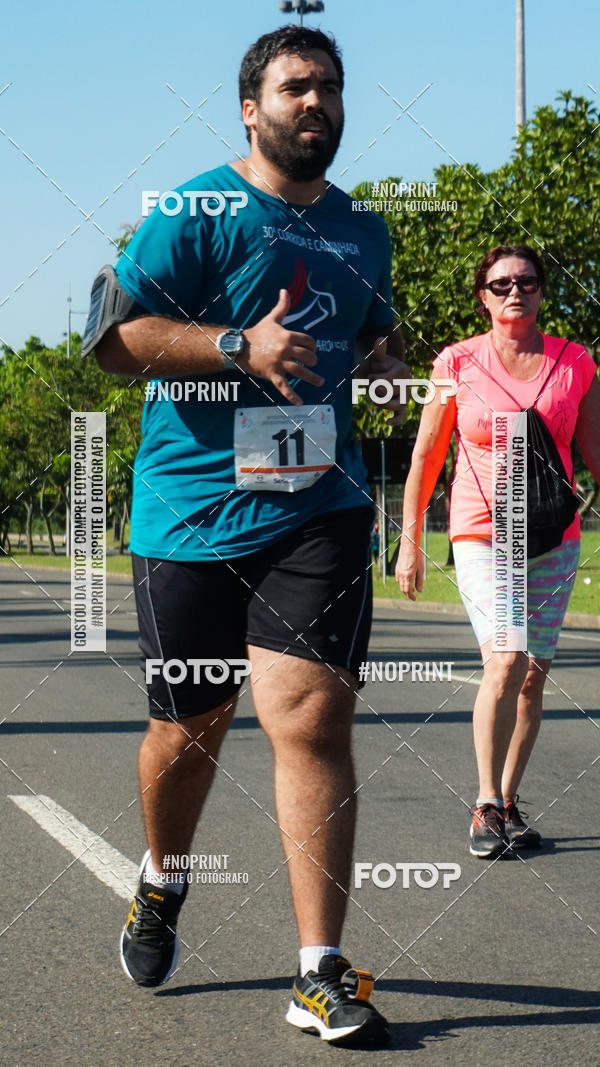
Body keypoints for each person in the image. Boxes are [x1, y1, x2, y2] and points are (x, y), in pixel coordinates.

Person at [87, 26, 408, 1047]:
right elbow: (114, 337)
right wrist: (238, 343)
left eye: (331, 88)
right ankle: (162, 877)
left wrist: (388, 356)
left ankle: (320, 971)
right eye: (296, 87)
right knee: (192, 728)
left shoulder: (366, 230)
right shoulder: (197, 208)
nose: (316, 103)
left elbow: (366, 330)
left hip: (317, 506)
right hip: (189, 511)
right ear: (249, 107)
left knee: (307, 717)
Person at [396, 244, 599, 859]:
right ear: (482, 296)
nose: (517, 292)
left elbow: (596, 450)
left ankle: (509, 802)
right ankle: (484, 804)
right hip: (484, 530)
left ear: (542, 292)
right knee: (506, 662)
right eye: (502, 283)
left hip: (554, 536)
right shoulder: (456, 363)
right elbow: (427, 457)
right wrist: (409, 541)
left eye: (529, 282)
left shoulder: (574, 362)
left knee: (533, 678)